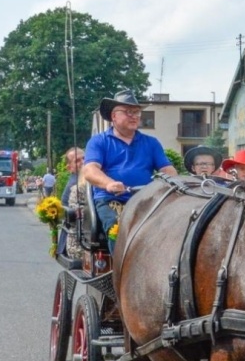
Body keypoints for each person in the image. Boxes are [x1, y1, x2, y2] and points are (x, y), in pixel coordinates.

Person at [80, 90, 177, 248]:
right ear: (113, 116)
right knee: (117, 230)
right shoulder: (98, 142)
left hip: (146, 199)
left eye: (137, 112)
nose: (134, 116)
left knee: (171, 228)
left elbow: (167, 169)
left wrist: (174, 183)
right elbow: (90, 170)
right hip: (111, 200)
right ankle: (120, 271)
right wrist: (109, 184)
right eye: (128, 112)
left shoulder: (151, 143)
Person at [56, 147, 84, 259]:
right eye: (77, 161)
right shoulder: (74, 186)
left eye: (85, 158)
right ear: (69, 168)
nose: (83, 162)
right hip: (78, 234)